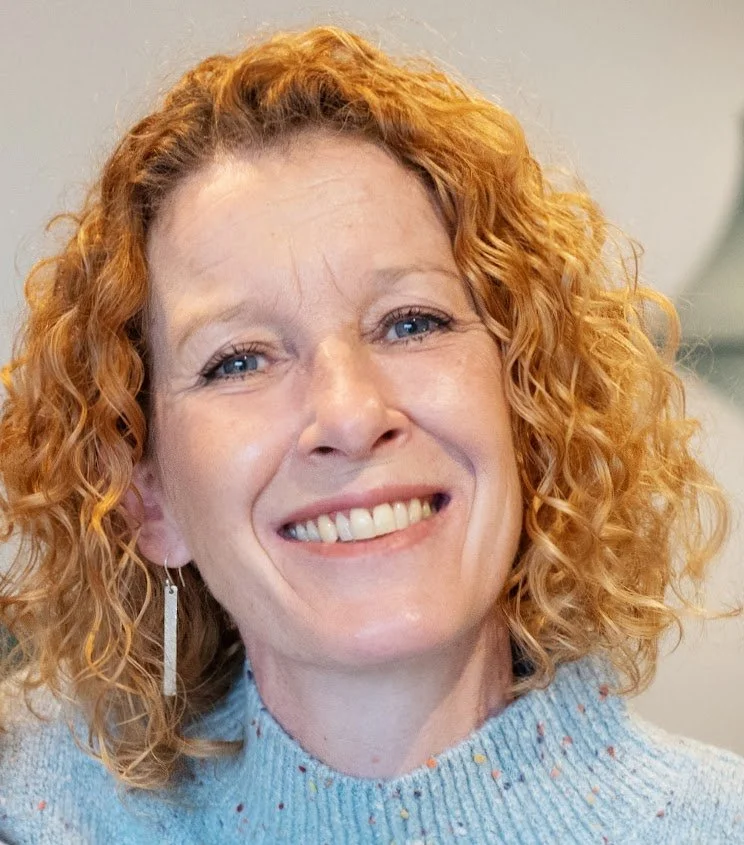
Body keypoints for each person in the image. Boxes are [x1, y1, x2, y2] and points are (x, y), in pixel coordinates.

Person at [0, 24, 742, 845]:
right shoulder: (39, 813)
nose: (351, 415)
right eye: (239, 360)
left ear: (528, 407)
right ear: (146, 498)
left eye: (411, 322)